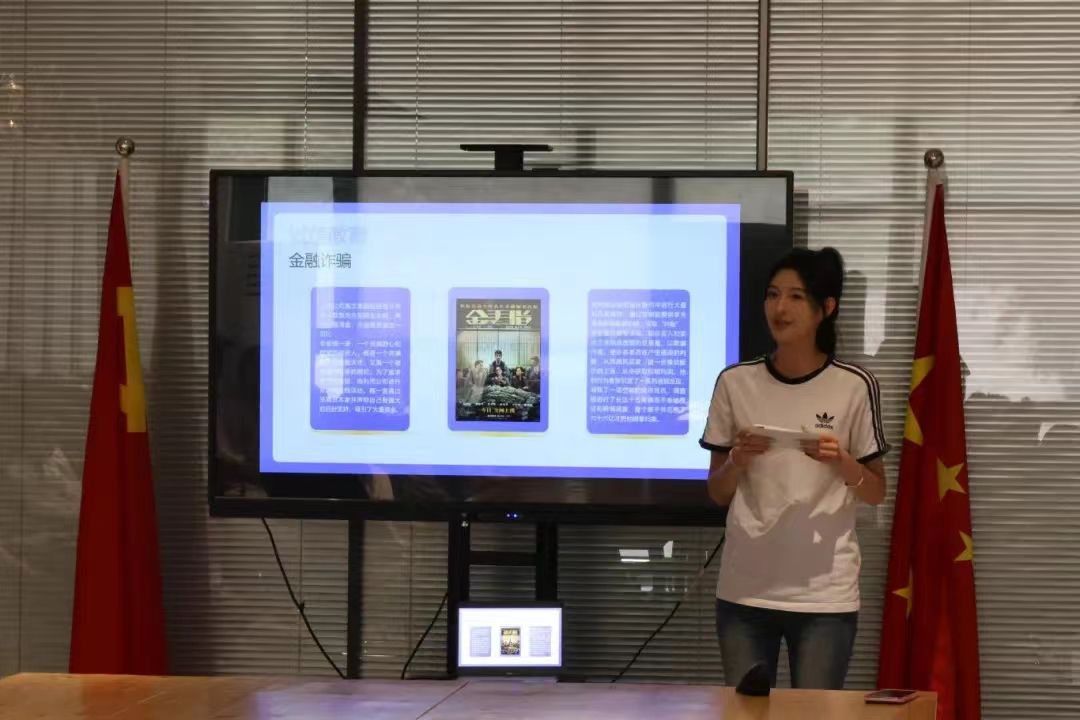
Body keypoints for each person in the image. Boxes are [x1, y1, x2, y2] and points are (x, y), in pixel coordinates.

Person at [699, 247, 889, 690]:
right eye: (772, 294)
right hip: (745, 592)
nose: (779, 308)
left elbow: (876, 491)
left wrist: (841, 461)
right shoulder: (735, 382)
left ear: (827, 307)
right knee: (746, 713)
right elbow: (717, 492)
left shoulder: (854, 385)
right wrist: (737, 460)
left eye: (796, 297)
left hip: (825, 597)